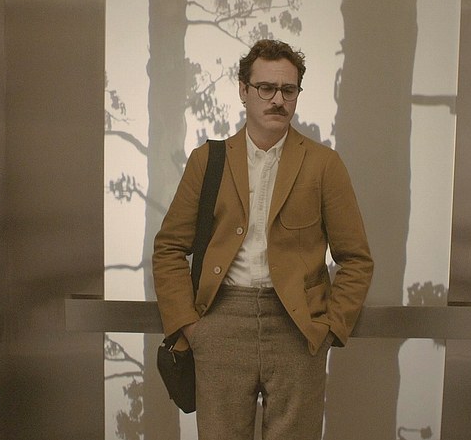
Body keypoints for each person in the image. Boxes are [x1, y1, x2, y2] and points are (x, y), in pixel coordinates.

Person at [153, 39, 373, 440]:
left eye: (288, 90)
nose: (278, 100)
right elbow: (168, 248)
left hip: (298, 327)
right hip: (221, 322)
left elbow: (356, 258)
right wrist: (190, 327)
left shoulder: (324, 165)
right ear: (244, 90)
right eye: (266, 88)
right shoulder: (208, 161)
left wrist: (330, 328)